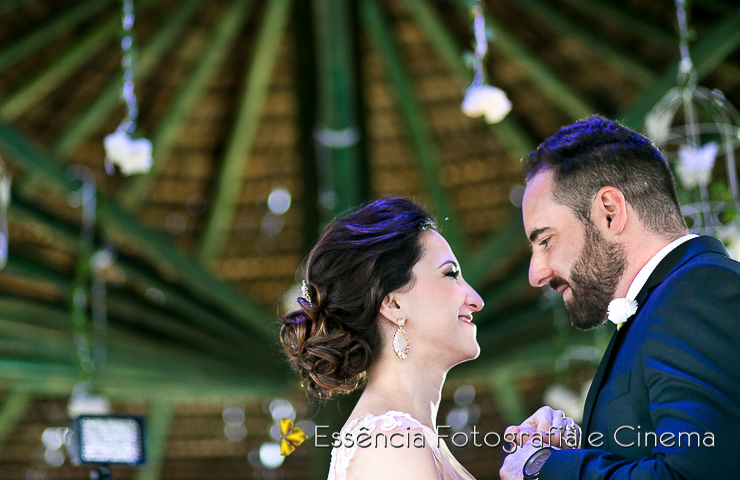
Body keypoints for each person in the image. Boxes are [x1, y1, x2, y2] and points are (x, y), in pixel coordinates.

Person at [500, 115, 740, 479]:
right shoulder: (673, 302)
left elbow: (694, 474)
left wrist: (547, 468)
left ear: (610, 212)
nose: (536, 274)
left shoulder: (697, 293)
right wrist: (579, 451)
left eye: (546, 240)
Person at [280, 197, 484, 480]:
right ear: (393, 304)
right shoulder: (393, 445)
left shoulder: (406, 441)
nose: (476, 300)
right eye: (451, 274)